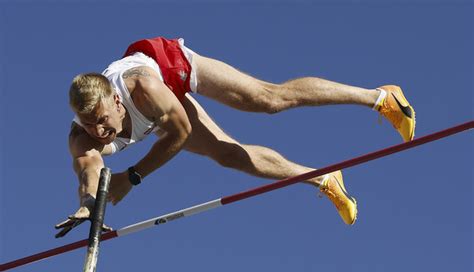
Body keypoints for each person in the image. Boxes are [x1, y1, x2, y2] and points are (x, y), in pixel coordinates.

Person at [55, 37, 415, 238]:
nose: (99, 132)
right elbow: (90, 168)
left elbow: (178, 134)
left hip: (167, 65)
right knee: (229, 155)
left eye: (102, 121)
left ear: (117, 101)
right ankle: (324, 178)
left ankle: (380, 97)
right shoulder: (84, 137)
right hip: (158, 111)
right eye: (89, 125)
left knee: (268, 100)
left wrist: (131, 178)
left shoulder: (144, 89)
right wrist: (90, 202)